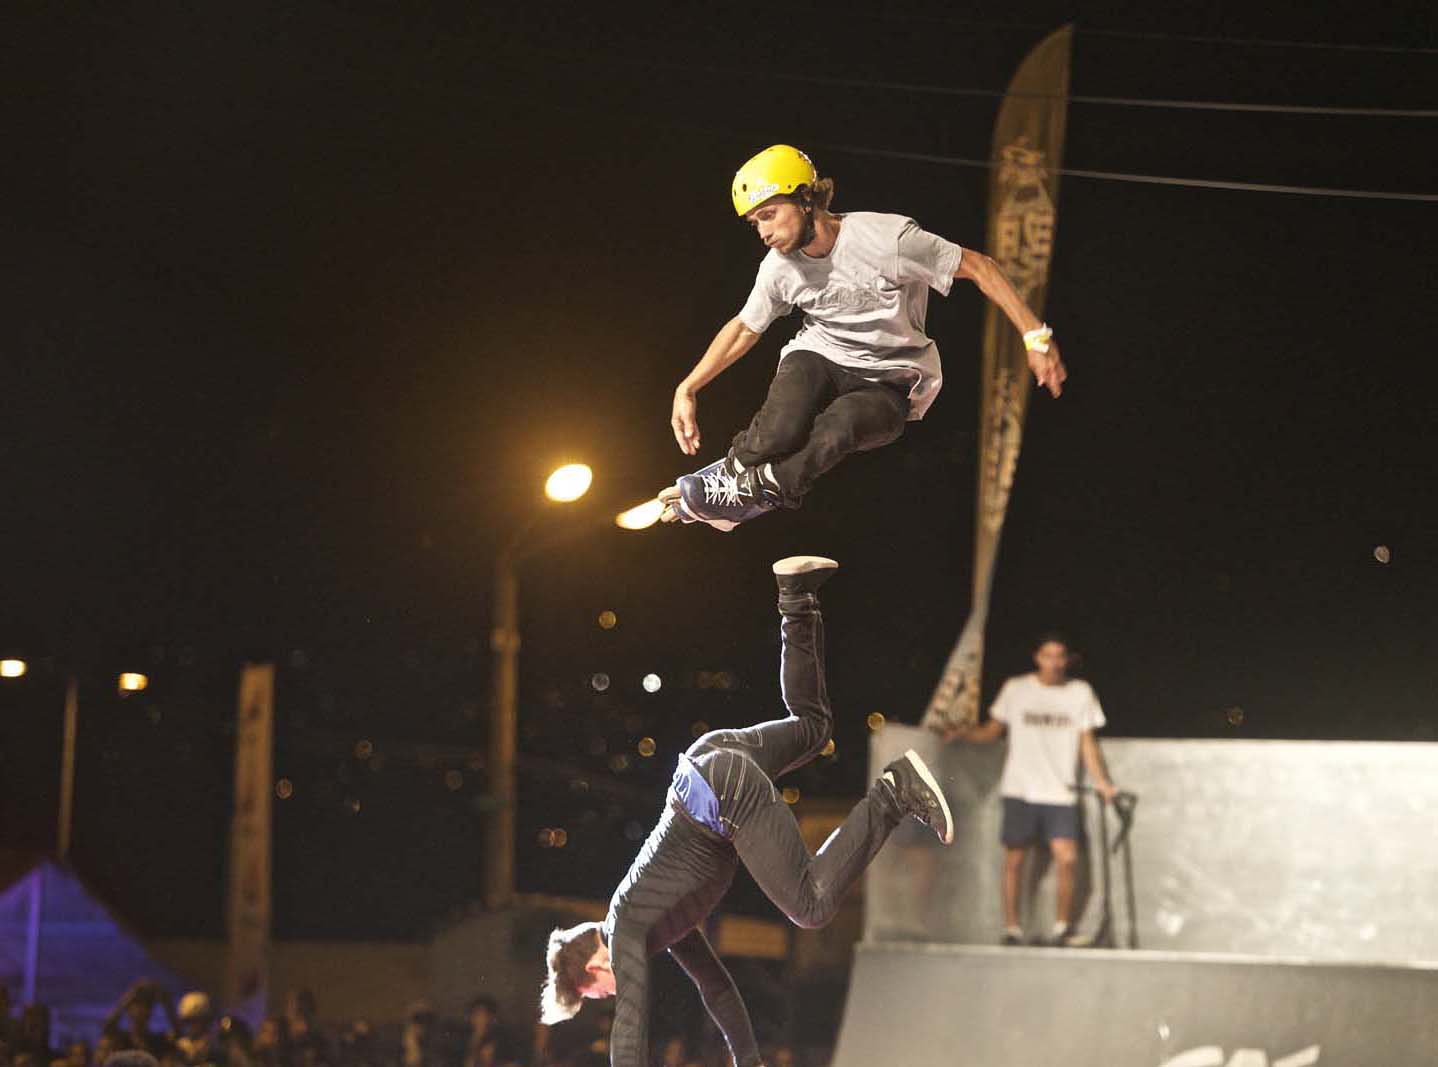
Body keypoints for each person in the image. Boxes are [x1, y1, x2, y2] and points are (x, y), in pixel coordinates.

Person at [537, 556, 954, 1067]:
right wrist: (747, 1060)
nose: (606, 1000)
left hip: (721, 792)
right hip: (710, 762)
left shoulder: (625, 926)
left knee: (810, 905)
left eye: (595, 994)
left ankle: (894, 792)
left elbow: (631, 1030)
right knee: (812, 724)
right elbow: (718, 991)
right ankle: (796, 599)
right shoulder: (664, 924)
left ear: (597, 966)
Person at [660, 144, 1067, 531]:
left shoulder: (888, 239)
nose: (763, 232)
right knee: (781, 426)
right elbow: (746, 327)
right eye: (755, 223)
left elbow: (980, 267)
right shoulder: (777, 268)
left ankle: (761, 489)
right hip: (819, 356)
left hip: (891, 378)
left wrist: (1036, 336)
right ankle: (732, 471)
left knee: (840, 428)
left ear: (806, 199)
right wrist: (689, 386)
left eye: (768, 214)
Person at [949, 634, 1117, 946]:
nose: (1053, 663)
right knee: (1014, 860)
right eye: (1047, 655)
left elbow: (1087, 743)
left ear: (1066, 660)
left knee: (1067, 858)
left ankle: (1061, 928)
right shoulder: (1017, 689)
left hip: (1060, 791)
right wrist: (961, 734)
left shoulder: (1080, 692)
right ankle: (1011, 928)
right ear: (1037, 657)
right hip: (1020, 788)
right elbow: (991, 731)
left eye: (1059, 656)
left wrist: (1102, 782)